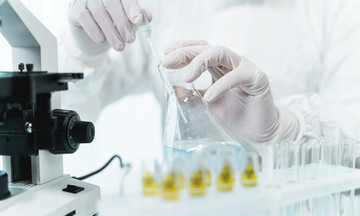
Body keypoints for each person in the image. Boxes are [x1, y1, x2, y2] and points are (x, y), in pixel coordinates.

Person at [62, 0, 360, 146]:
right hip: (187, 212)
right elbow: (69, 113)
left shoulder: (337, 10)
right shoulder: (160, 5)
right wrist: (85, 52)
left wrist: (286, 129)